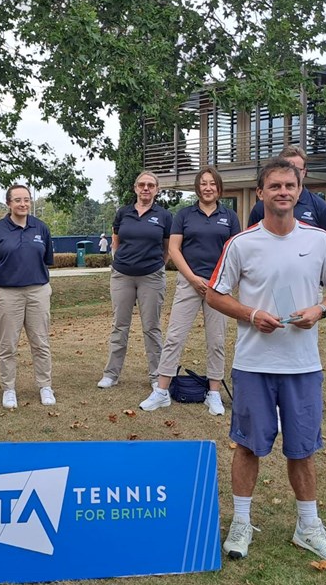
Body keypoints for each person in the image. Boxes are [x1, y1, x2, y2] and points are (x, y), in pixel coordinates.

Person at [207, 158, 326, 563]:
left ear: (299, 190)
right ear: (261, 193)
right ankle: (241, 523)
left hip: (303, 364)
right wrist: (251, 315)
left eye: (290, 185)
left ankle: (307, 527)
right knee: (248, 447)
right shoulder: (241, 243)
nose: (283, 192)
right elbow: (215, 294)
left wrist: (320, 311)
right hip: (254, 363)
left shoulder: (320, 240)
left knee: (302, 449)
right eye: (275, 186)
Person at [139, 167, 239, 415]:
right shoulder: (184, 215)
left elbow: (236, 251)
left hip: (219, 286)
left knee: (216, 340)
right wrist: (193, 278)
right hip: (189, 283)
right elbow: (174, 249)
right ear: (197, 188)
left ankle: (213, 393)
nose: (208, 188)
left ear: (219, 188)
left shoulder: (230, 216)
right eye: (203, 183)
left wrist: (220, 280)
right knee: (174, 337)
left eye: (212, 184)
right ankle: (161, 391)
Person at [0, 184, 57, 408]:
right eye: (18, 200)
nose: (23, 204)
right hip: (7, 293)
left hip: (38, 291)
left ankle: (45, 386)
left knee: (41, 342)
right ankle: (9, 389)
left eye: (26, 199)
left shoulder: (41, 228)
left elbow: (47, 260)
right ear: (9, 203)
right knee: (7, 345)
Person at [97, 171, 173, 389]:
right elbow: (116, 242)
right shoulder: (123, 213)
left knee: (152, 327)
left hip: (151, 277)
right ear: (135, 188)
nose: (146, 188)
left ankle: (157, 376)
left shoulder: (164, 216)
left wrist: (158, 264)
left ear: (157, 189)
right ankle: (111, 374)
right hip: (122, 276)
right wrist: (121, 262)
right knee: (120, 326)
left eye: (150, 185)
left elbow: (167, 248)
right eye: (142, 185)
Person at [246, 145, 326, 242]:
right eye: (286, 168)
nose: (291, 173)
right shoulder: (261, 206)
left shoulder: (320, 207)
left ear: (304, 172)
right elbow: (252, 239)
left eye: (296, 169)